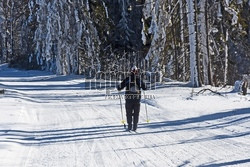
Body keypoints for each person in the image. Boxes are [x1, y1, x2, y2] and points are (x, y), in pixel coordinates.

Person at [117, 66, 147, 131]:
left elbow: (120, 87)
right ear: (137, 71)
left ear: (131, 71)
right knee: (136, 113)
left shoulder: (127, 79)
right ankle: (135, 126)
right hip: (137, 99)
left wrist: (118, 86)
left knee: (129, 112)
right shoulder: (139, 79)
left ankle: (129, 126)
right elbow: (145, 88)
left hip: (128, 98)